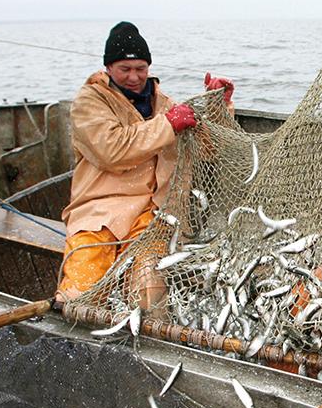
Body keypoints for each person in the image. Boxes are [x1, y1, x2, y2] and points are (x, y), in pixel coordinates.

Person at [57, 21, 234, 307]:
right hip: (101, 210)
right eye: (125, 69)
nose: (134, 77)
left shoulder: (164, 103)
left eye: (140, 68)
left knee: (147, 292)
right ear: (108, 69)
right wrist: (168, 125)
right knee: (80, 290)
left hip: (156, 214)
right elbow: (112, 150)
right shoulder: (89, 103)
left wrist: (218, 107)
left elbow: (207, 149)